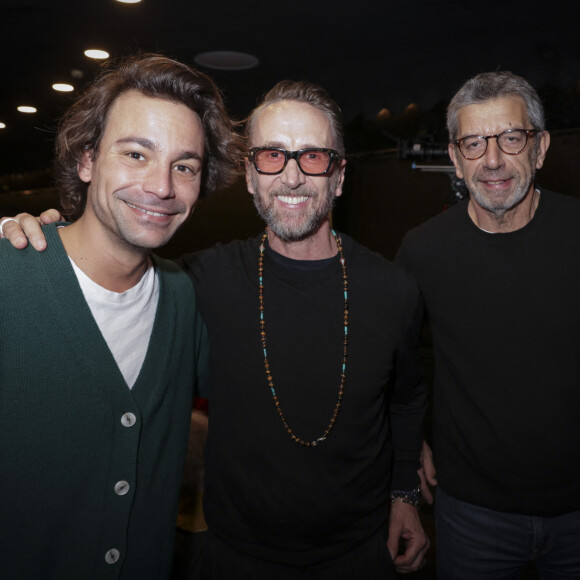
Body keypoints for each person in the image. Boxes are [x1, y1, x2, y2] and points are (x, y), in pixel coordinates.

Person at [3, 80, 429, 578]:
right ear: (249, 175)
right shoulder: (194, 283)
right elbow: (105, 271)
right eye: (271, 155)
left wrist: (405, 491)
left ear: (338, 176)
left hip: (359, 555)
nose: (291, 176)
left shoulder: (395, 289)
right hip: (231, 557)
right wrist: (37, 233)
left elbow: (405, 399)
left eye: (313, 156)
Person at [0, 54, 241, 579]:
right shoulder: (7, 279)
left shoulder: (183, 297)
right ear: (86, 160)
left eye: (185, 166)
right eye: (136, 153)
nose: (161, 187)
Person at [396, 71, 580, 578]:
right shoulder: (422, 250)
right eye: (474, 143)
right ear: (455, 158)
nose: (493, 160)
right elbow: (401, 364)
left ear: (539, 148)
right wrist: (411, 445)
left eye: (511, 139)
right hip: (472, 515)